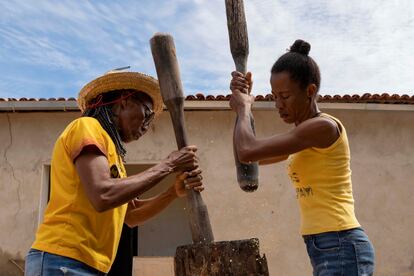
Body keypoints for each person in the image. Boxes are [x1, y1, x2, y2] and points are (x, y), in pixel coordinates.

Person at [25, 70, 203, 275]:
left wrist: (173, 192)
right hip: (63, 260)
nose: (148, 124)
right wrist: (168, 165)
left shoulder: (114, 155)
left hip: (90, 266)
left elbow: (131, 215)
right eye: (147, 111)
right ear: (124, 102)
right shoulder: (87, 127)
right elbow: (103, 194)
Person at [229, 39, 375, 275]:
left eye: (284, 96)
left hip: (340, 244)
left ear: (310, 91)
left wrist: (244, 108)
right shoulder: (302, 136)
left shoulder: (322, 128)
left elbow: (248, 150)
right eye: (274, 96)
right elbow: (247, 158)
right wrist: (243, 103)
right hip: (324, 245)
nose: (278, 104)